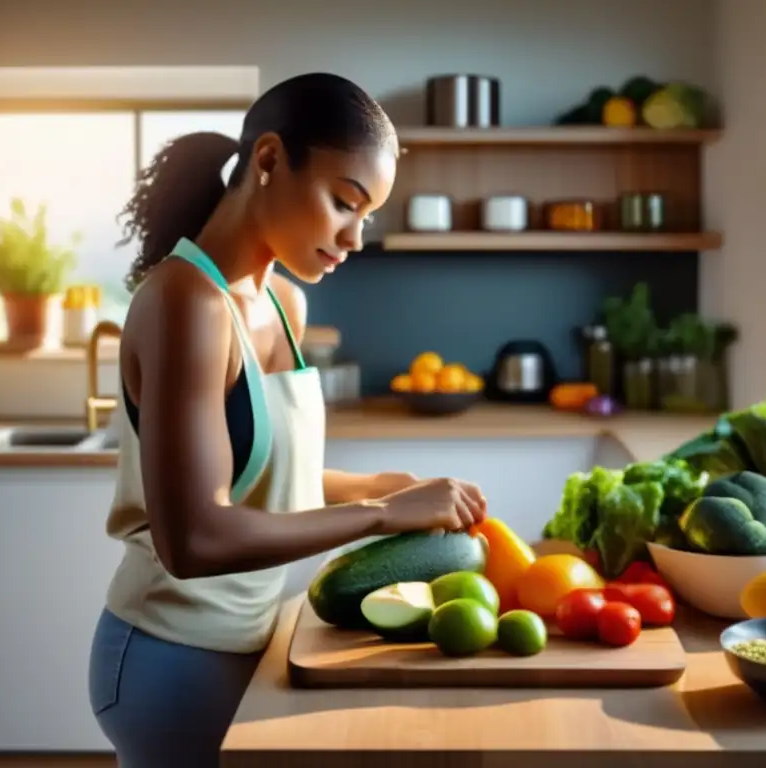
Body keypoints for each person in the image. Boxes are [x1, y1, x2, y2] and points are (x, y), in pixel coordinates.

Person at [86, 72, 489, 767]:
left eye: (366, 217)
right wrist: (384, 515)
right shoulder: (187, 302)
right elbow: (195, 538)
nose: (354, 238)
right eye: (344, 203)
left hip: (255, 637)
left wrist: (371, 487)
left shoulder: (281, 305)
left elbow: (256, 472)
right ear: (269, 160)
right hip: (169, 656)